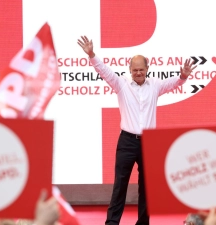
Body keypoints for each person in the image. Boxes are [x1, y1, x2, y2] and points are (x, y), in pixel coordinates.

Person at [78, 36, 196, 225]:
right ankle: (112, 223)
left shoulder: (155, 85)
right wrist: (92, 55)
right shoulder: (121, 84)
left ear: (147, 69)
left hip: (149, 143)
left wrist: (183, 76)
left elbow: (174, 83)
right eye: (135, 70)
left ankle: (143, 223)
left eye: (141, 69)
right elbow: (105, 71)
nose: (138, 73)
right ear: (130, 70)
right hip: (126, 141)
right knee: (120, 185)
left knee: (147, 187)